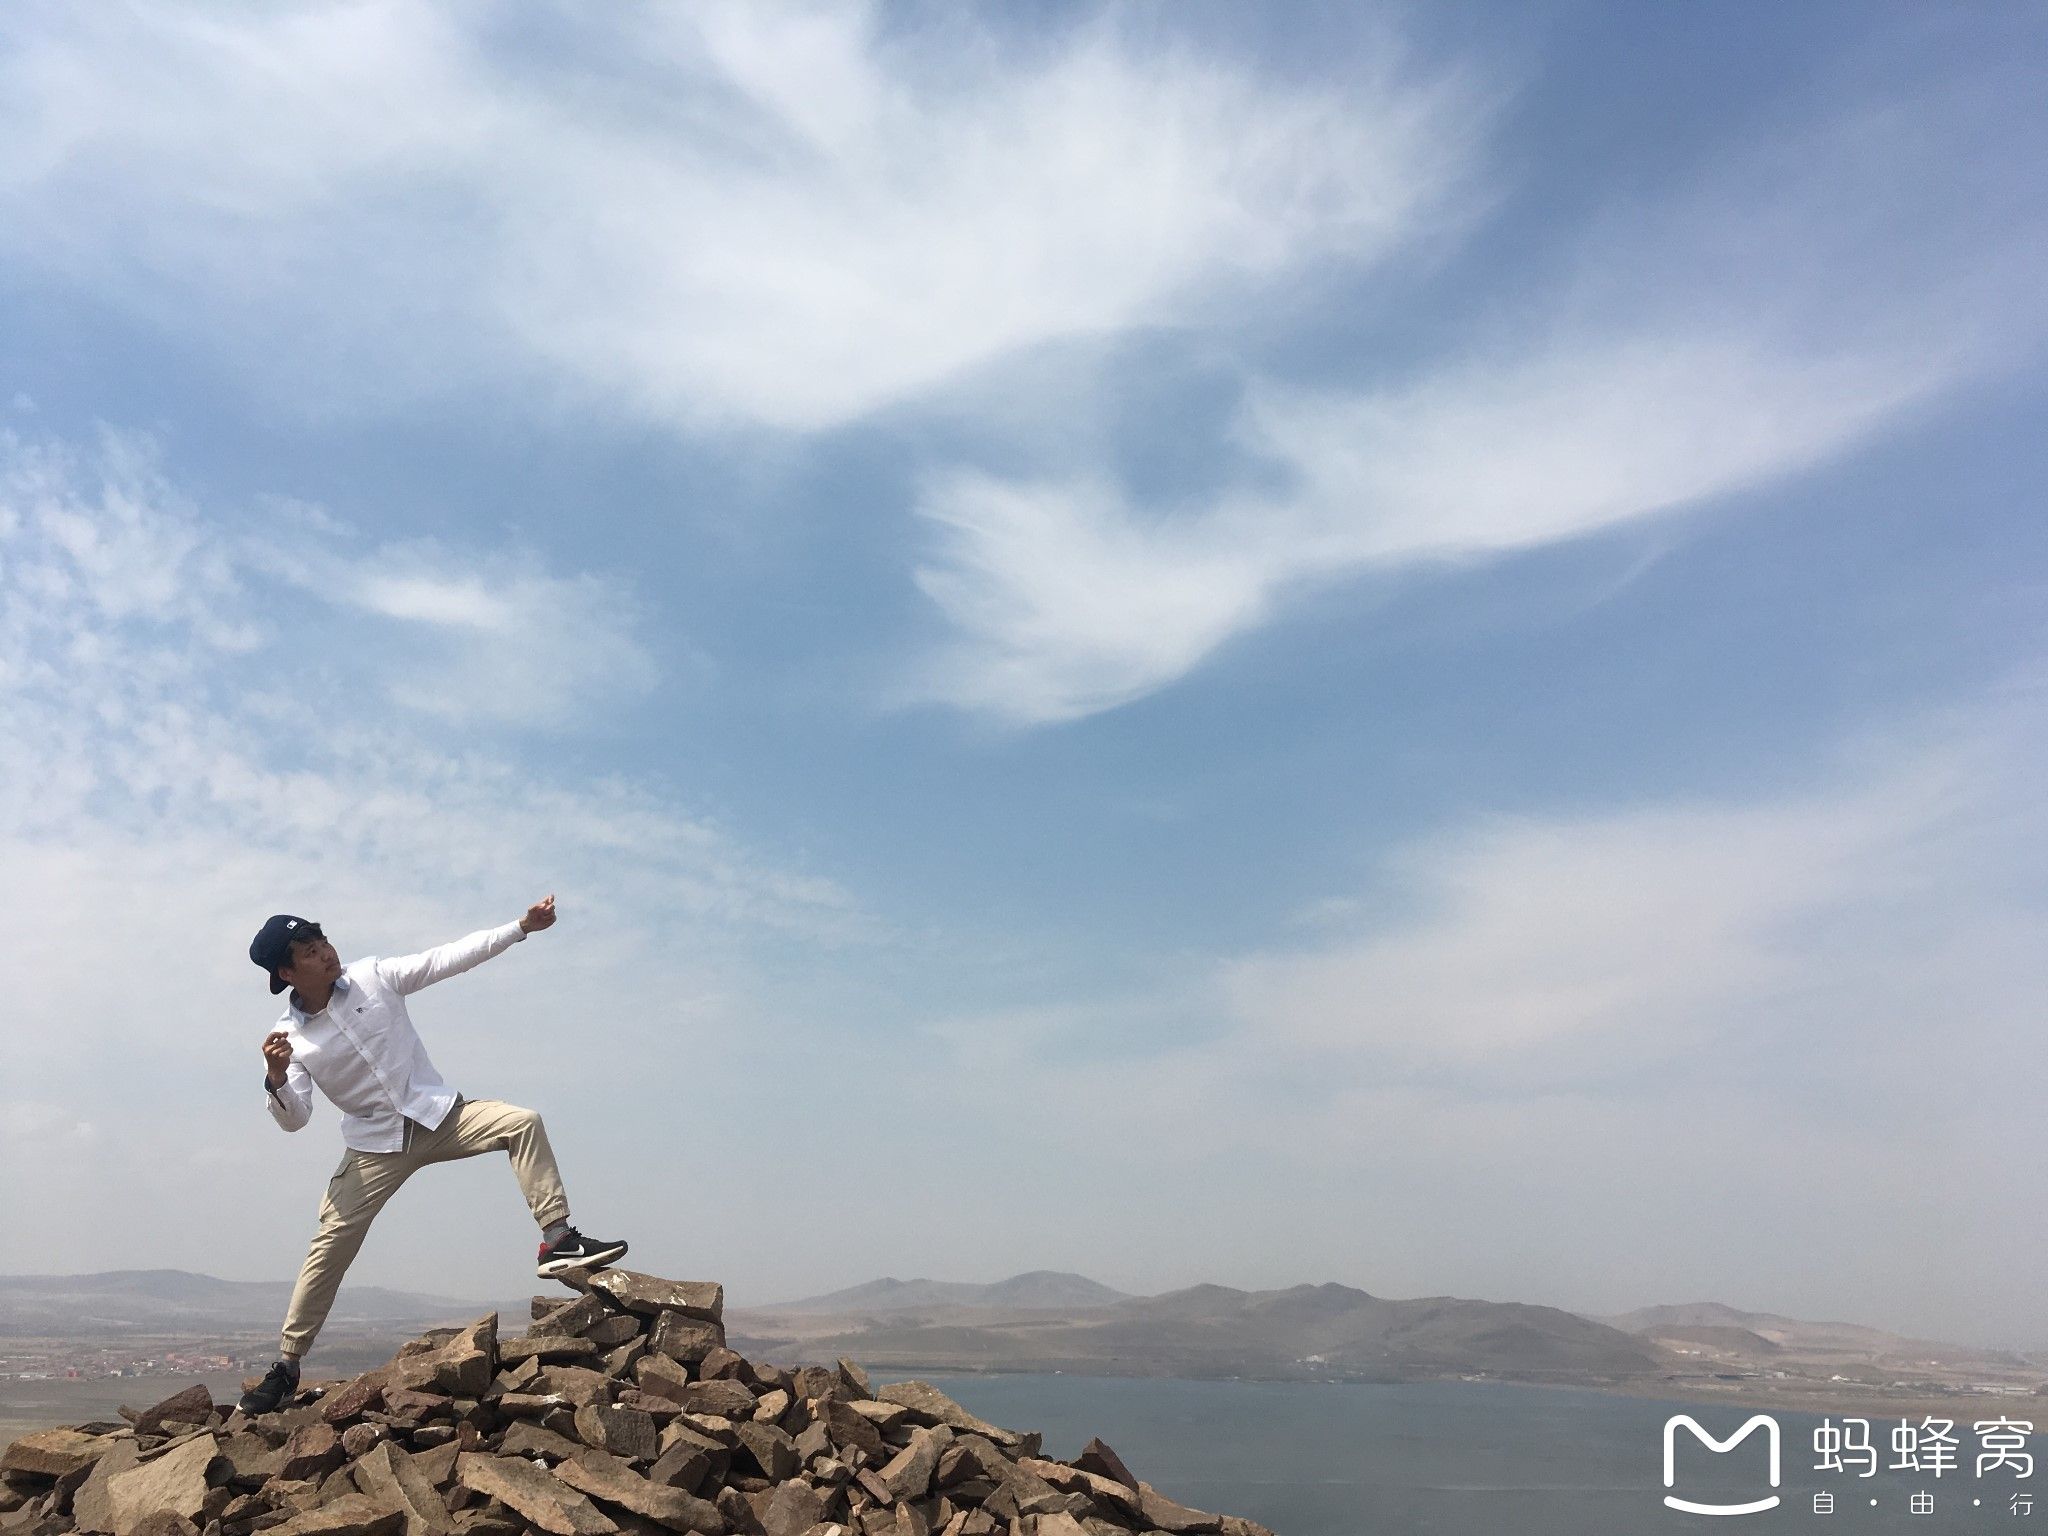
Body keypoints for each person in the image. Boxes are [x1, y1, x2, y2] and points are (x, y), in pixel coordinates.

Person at [237, 896, 626, 1415]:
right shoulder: (288, 1039)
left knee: (522, 1121)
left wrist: (521, 927)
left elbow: (449, 957)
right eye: (308, 950)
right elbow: (295, 1120)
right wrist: (277, 1079)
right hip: (374, 1147)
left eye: (323, 940)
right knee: (330, 1243)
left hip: (439, 1117)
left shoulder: (375, 976)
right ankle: (287, 1366)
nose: (326, 952)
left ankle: (557, 1240)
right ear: (286, 972)